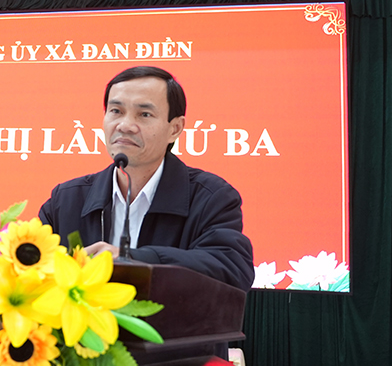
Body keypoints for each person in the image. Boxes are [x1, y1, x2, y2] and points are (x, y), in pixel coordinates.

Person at [38, 66, 254, 291]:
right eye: (116, 111)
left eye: (144, 114)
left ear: (175, 129)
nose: (125, 125)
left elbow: (232, 268)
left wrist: (133, 259)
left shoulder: (211, 197)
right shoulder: (67, 200)